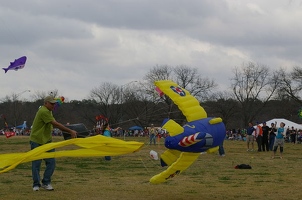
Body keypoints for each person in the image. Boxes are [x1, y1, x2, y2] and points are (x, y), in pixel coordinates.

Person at [30, 96, 77, 191]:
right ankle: (36, 184)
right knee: (36, 164)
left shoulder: (49, 111)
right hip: (36, 140)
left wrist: (59, 101)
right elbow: (55, 124)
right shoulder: (43, 111)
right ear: (45, 103)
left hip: (47, 140)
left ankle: (46, 182)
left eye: (54, 104)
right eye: (51, 103)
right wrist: (70, 131)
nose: (53, 105)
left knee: (51, 162)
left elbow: (56, 107)